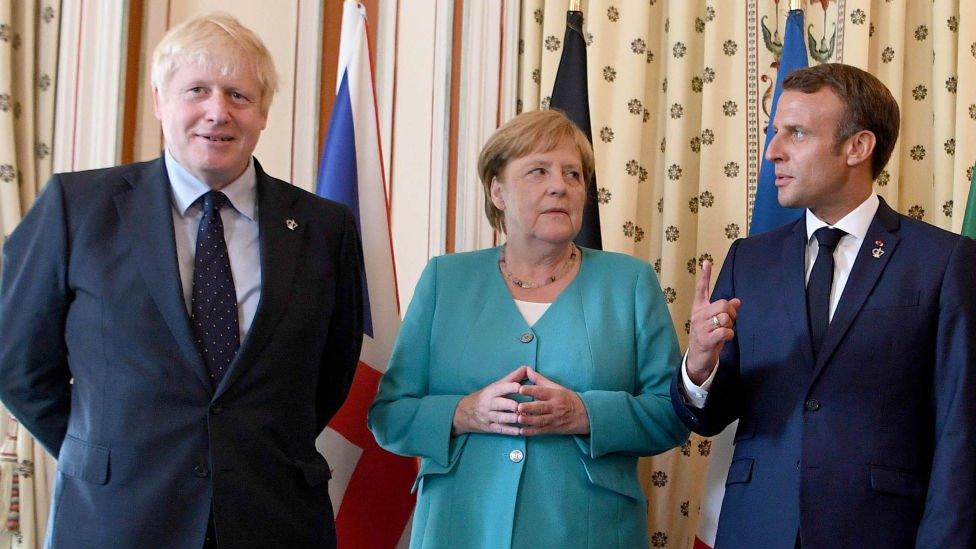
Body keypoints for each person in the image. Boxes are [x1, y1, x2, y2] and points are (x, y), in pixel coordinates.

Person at [0, 14, 363, 548]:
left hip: (273, 516)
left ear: (263, 112)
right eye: (197, 90)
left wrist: (243, 448)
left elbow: (330, 371)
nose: (218, 111)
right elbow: (17, 364)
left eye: (239, 95)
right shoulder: (75, 208)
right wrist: (102, 450)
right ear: (159, 101)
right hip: (118, 515)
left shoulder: (323, 227)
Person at [672, 63, 976, 548]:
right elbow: (709, 420)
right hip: (756, 530)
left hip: (880, 532)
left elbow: (962, 430)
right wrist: (700, 365)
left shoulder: (941, 261)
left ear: (858, 147)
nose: (773, 152)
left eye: (795, 133)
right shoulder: (748, 260)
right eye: (775, 133)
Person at [368, 109, 688, 548]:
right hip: (460, 528)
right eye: (538, 170)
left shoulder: (630, 283)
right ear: (497, 190)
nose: (560, 185)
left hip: (588, 531)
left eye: (573, 174)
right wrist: (464, 413)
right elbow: (389, 414)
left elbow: (671, 415)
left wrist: (582, 413)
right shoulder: (445, 279)